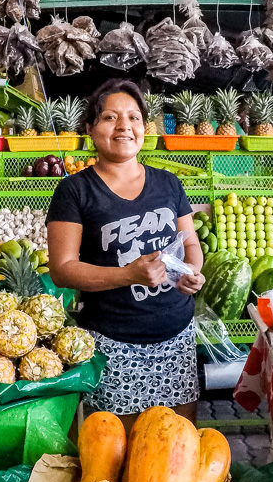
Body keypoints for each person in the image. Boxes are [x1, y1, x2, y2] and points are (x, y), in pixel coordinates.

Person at [47, 79, 204, 431]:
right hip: (113, 342)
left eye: (134, 117)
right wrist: (127, 275)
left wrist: (193, 271)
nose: (124, 127)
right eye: (110, 117)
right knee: (118, 449)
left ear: (143, 127)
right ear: (90, 128)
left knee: (176, 446)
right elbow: (62, 269)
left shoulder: (168, 183)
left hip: (176, 336)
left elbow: (191, 244)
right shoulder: (74, 190)